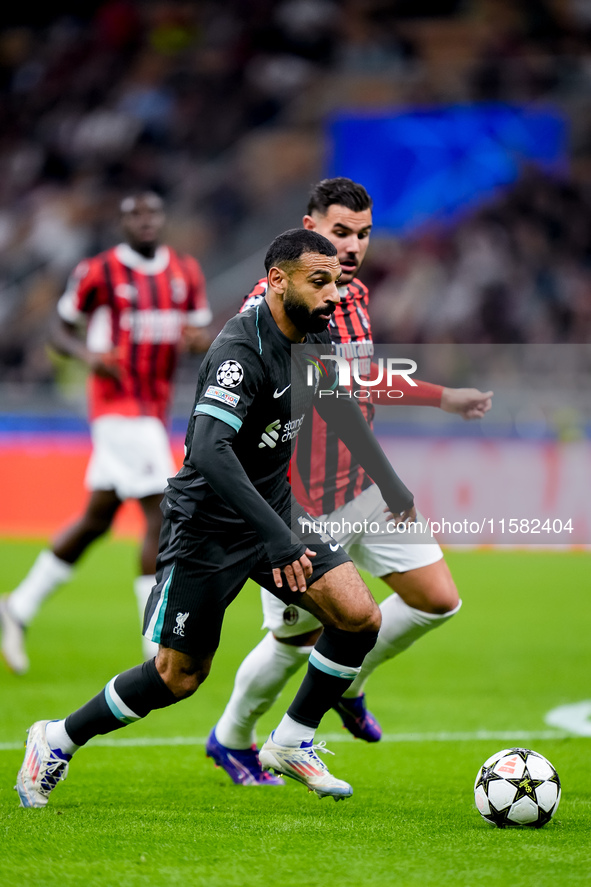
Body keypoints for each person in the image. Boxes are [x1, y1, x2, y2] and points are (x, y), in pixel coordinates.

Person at [15, 227, 418, 808]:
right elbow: (208, 450)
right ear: (278, 281)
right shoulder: (240, 351)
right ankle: (56, 739)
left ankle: (293, 741)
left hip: (272, 509)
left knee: (359, 617)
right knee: (177, 676)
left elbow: (335, 403)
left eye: (335, 282)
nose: (334, 294)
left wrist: (389, 482)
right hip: (208, 525)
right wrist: (278, 538)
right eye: (319, 281)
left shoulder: (315, 334)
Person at [205, 178, 493, 786]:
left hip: (362, 485)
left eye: (363, 234)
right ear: (309, 225)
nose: (354, 246)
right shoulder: (272, 307)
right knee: (296, 643)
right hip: (300, 503)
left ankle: (346, 680)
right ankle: (231, 736)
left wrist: (440, 398)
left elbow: (357, 376)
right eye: (340, 233)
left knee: (438, 599)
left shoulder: (351, 292)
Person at [0, 192, 211, 673]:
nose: (144, 222)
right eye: (134, 215)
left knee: (98, 518)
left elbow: (196, 334)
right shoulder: (99, 272)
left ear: (162, 220)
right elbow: (59, 328)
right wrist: (88, 355)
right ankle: (153, 643)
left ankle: (18, 606)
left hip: (152, 411)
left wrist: (198, 341)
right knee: (162, 514)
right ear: (120, 222)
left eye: (152, 214)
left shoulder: (184, 273)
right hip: (117, 407)